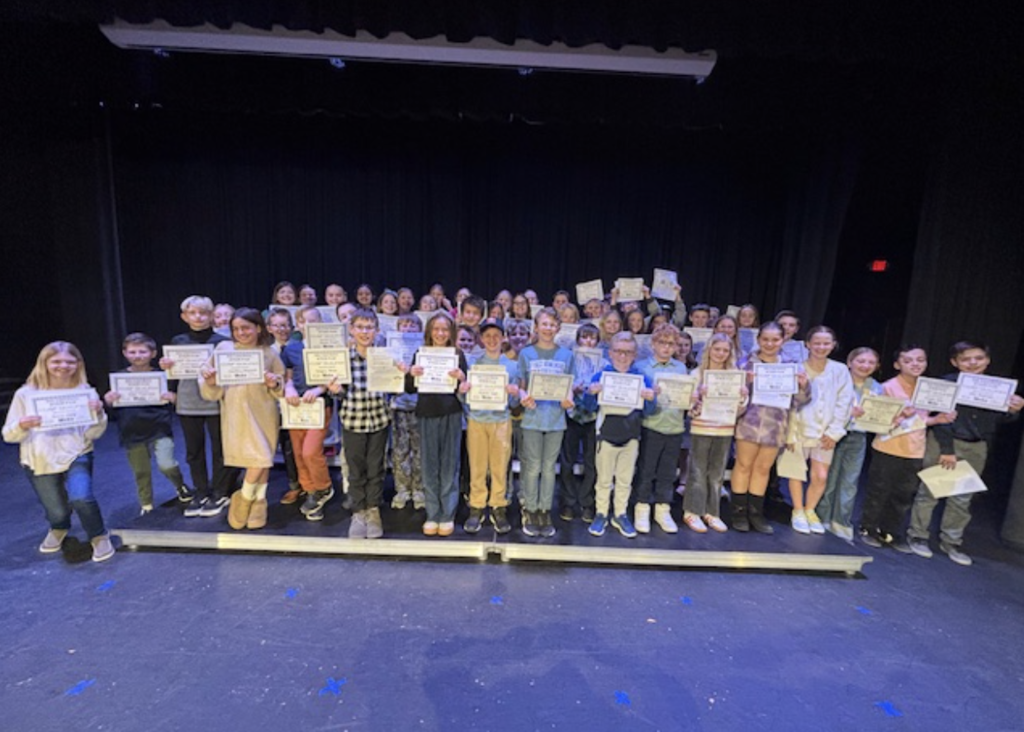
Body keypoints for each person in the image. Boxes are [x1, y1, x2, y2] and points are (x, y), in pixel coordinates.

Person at [906, 341, 1024, 565]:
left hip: (977, 446)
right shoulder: (946, 383)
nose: (972, 363)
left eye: (978, 358)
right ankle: (918, 536)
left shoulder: (997, 388)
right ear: (955, 362)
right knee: (930, 492)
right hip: (946, 443)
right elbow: (940, 419)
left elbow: (999, 420)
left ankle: (951, 542)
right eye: (965, 359)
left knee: (962, 497)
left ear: (987, 360)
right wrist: (947, 450)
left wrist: (1012, 411)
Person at [3, 341, 114, 561]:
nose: (63, 366)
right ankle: (59, 527)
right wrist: (22, 425)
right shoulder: (26, 394)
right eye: (56, 361)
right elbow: (8, 434)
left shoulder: (85, 392)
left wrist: (99, 414)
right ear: (44, 363)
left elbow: (94, 433)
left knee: (81, 497)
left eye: (69, 361)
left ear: (78, 364)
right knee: (57, 510)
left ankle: (99, 535)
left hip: (77, 452)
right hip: (39, 458)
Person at [858, 345, 955, 550]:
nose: (915, 364)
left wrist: (942, 418)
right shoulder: (887, 387)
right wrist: (928, 420)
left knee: (903, 494)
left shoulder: (929, 389)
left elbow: (928, 418)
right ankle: (868, 528)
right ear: (897, 364)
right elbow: (880, 422)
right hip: (888, 446)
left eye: (920, 360)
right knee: (879, 491)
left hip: (915, 449)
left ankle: (890, 532)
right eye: (908, 360)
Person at [200, 308, 286, 531]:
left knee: (262, 457)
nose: (241, 332)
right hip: (236, 413)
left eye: (246, 328)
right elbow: (208, 387)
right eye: (236, 329)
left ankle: (248, 498)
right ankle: (257, 500)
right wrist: (210, 382)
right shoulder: (223, 349)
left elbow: (281, 386)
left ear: (258, 328)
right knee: (258, 459)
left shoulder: (269, 352)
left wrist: (274, 384)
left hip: (264, 413)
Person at [730, 321, 811, 534]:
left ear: (782, 340)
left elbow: (800, 400)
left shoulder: (792, 365)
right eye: (765, 339)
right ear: (758, 340)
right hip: (749, 422)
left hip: (776, 424)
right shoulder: (745, 362)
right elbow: (732, 395)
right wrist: (745, 384)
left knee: (763, 469)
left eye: (775, 339)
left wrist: (803, 386)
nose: (769, 343)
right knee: (743, 465)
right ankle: (738, 512)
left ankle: (756, 513)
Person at [160, 295, 233, 518]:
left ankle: (221, 491)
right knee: (194, 451)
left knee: (220, 449)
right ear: (184, 316)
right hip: (188, 402)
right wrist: (166, 371)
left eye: (203, 313)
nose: (198, 317)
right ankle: (201, 491)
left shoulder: (222, 342)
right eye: (192, 313)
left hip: (217, 403)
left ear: (212, 316)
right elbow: (172, 375)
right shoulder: (178, 341)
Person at [104, 333, 191, 514]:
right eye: (132, 352)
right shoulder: (119, 378)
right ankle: (146, 504)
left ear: (153, 353)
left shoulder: (163, 376)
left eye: (142, 351)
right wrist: (109, 399)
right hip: (131, 429)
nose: (137, 355)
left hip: (159, 427)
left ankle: (180, 485)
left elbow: (177, 399)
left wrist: (173, 397)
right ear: (125, 353)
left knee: (167, 464)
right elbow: (109, 402)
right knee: (141, 471)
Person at [583, 333, 656, 538]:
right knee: (604, 479)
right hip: (605, 436)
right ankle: (601, 513)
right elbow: (588, 408)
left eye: (628, 352)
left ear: (635, 354)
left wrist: (650, 398)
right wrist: (591, 393)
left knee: (625, 479)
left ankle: (620, 514)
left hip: (631, 437)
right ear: (610, 352)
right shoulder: (601, 376)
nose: (623, 356)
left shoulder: (642, 378)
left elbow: (649, 411)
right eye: (618, 351)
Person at [403, 311, 468, 537]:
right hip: (427, 413)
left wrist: (462, 379)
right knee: (430, 465)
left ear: (451, 333)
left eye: (445, 330)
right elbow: (410, 388)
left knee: (450, 464)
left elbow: (465, 388)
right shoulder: (420, 354)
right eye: (436, 329)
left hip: (451, 414)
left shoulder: (457, 354)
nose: (440, 334)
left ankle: (447, 513)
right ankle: (433, 512)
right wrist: (411, 374)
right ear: (429, 331)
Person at [328, 309, 392, 539]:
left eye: (369, 327)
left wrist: (401, 375)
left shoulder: (384, 356)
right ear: (352, 330)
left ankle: (373, 510)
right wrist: (336, 391)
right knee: (355, 470)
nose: (365, 332)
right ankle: (358, 511)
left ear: (377, 330)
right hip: (353, 421)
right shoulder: (343, 358)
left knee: (376, 468)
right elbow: (340, 393)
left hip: (379, 420)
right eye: (360, 327)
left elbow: (394, 387)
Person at [784, 326, 854, 534]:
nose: (821, 347)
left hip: (825, 432)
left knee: (821, 475)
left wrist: (834, 432)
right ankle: (797, 510)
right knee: (795, 472)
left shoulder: (840, 370)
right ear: (807, 344)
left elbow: (845, 402)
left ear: (833, 345)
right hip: (798, 429)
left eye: (826, 343)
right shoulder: (796, 368)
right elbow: (787, 401)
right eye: (817, 343)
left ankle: (810, 509)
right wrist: (788, 433)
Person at [518, 307, 575, 537]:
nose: (548, 328)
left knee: (549, 468)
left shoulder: (566, 356)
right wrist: (522, 396)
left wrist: (569, 399)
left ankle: (545, 509)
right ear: (536, 326)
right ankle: (530, 509)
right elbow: (522, 385)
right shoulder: (526, 353)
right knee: (532, 467)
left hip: (555, 420)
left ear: (558, 328)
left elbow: (570, 387)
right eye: (544, 324)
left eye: (553, 325)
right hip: (532, 418)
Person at [815, 347, 884, 541]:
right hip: (834, 434)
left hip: (858, 436)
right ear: (850, 362)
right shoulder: (839, 381)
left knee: (850, 481)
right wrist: (847, 412)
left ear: (877, 366)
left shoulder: (877, 387)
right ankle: (822, 517)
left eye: (871, 363)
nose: (865, 366)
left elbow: (880, 414)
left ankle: (841, 521)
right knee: (828, 478)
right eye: (861, 361)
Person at [461, 319, 520, 534]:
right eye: (487, 336)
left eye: (496, 335)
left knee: (499, 467)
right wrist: (463, 390)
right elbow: (464, 397)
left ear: (503, 338)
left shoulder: (512, 366)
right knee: (477, 467)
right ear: (481, 339)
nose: (492, 339)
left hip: (501, 421)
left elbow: (514, 404)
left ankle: (498, 505)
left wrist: (515, 395)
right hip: (477, 420)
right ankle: (476, 506)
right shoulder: (473, 364)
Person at [685, 334, 748, 533]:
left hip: (724, 428)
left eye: (725, 350)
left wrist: (743, 397)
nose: (721, 354)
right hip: (702, 428)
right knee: (698, 471)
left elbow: (740, 409)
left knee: (717, 474)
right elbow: (688, 409)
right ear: (709, 350)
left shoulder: (734, 375)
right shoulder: (697, 374)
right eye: (717, 349)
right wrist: (696, 398)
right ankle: (692, 511)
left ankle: (712, 512)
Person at [280, 306, 335, 521]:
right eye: (305, 322)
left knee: (311, 451)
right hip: (296, 406)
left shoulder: (329, 348)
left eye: (315, 321)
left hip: (320, 404)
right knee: (298, 451)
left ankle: (323, 487)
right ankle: (310, 490)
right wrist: (289, 388)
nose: (310, 325)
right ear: (299, 325)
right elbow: (287, 376)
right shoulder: (291, 349)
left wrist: (319, 389)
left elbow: (335, 376)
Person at [634, 324, 689, 534]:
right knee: (647, 470)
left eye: (671, 344)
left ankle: (662, 508)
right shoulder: (642, 367)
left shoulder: (680, 368)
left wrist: (690, 398)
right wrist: (647, 394)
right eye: (662, 343)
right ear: (653, 344)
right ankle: (642, 507)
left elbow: (684, 398)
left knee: (667, 472)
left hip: (674, 427)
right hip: (651, 425)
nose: (666, 348)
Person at [559, 322, 604, 523]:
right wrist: (572, 389)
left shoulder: (604, 363)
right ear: (578, 340)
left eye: (592, 338)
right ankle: (568, 501)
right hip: (572, 414)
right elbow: (561, 383)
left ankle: (587, 502)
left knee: (590, 462)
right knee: (567, 460)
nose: (588, 341)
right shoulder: (570, 359)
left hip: (593, 417)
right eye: (585, 337)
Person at [390, 314, 425, 510]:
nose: (409, 327)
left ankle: (419, 489)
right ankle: (402, 489)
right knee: (400, 450)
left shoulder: (424, 350)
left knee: (419, 450)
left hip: (420, 406)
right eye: (404, 324)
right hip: (398, 406)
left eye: (413, 325)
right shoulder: (391, 350)